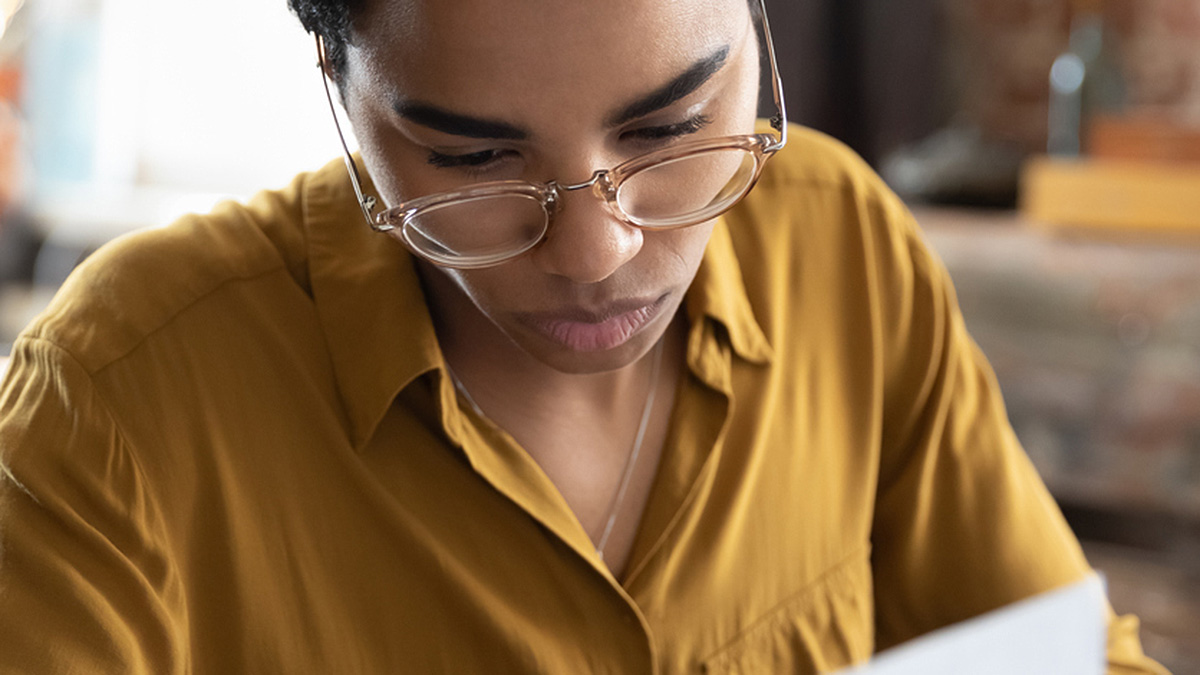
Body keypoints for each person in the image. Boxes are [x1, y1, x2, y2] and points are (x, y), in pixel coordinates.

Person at [0, 0, 1169, 672]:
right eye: (473, 158)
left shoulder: (838, 245)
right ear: (335, 83)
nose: (596, 253)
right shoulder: (120, 398)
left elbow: (1053, 653)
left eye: (670, 128)